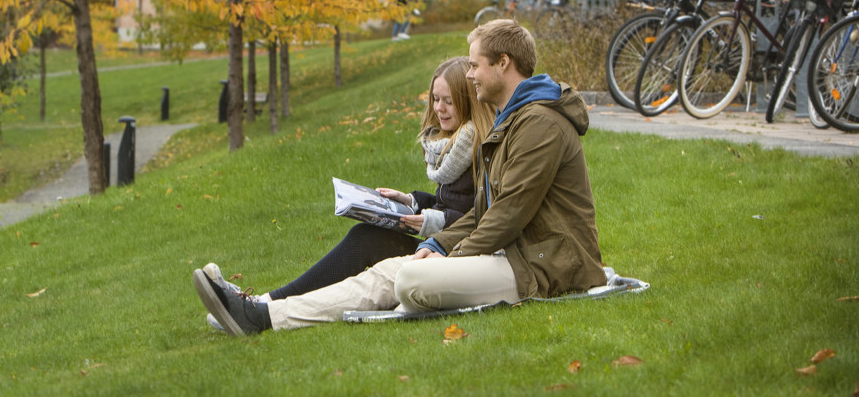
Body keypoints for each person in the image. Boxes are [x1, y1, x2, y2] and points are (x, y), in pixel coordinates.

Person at [194, 19, 606, 336]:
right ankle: (263, 315)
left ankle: (260, 312)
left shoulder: (539, 124)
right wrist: (436, 242)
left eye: (477, 65)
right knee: (392, 269)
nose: (471, 75)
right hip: (515, 256)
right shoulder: (512, 120)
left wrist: (448, 256)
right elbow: (485, 211)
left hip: (546, 268)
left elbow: (510, 213)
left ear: (504, 64)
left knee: (409, 277)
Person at [203, 56, 493, 318]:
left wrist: (430, 221)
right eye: (434, 99)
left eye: (449, 102)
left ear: (467, 103)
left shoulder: (478, 148)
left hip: (455, 255)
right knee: (366, 234)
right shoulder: (451, 145)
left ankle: (262, 306)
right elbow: (453, 201)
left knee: (364, 239)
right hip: (441, 245)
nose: (438, 109)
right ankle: (262, 303)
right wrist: (410, 201)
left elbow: (478, 215)